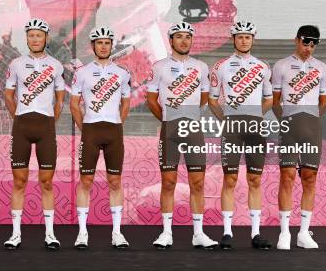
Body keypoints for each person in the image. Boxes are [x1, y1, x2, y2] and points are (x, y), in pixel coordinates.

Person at [147, 22, 218, 250]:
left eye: (188, 37)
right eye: (179, 37)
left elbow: (205, 97)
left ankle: (198, 233)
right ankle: (166, 232)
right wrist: (168, 119)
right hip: (170, 129)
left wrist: (191, 117)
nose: (184, 41)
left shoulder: (201, 67)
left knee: (198, 182)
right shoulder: (159, 67)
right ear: (171, 40)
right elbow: (151, 100)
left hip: (194, 131)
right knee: (168, 182)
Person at [208, 21, 273, 250]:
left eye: (248, 36)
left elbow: (269, 99)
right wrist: (225, 119)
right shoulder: (221, 66)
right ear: (233, 39)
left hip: (256, 128)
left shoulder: (263, 67)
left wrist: (256, 115)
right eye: (240, 36)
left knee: (255, 180)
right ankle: (227, 232)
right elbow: (212, 100)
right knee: (231, 179)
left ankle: (256, 233)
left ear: (253, 39)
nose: (244, 40)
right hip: (232, 129)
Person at [3, 18, 65, 250]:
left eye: (39, 35)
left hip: (45, 127)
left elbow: (60, 98)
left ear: (46, 38)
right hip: (22, 127)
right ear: (27, 38)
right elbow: (8, 95)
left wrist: (52, 120)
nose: (35, 39)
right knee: (19, 182)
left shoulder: (56, 65)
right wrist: (18, 116)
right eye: (31, 35)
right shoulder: (16, 64)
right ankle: (15, 234)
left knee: (46, 182)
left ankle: (50, 234)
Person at [71, 27, 131, 250]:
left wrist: (118, 122)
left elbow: (126, 103)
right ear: (93, 46)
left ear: (111, 45)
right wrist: (84, 128)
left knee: (115, 181)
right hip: (91, 131)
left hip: (113, 131)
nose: (103, 46)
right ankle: (82, 233)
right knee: (86, 181)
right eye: (99, 43)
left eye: (107, 43)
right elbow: (74, 104)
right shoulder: (82, 72)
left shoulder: (123, 73)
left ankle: (116, 233)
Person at [271, 25, 326, 249]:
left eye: (314, 44)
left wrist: (312, 120)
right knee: (287, 177)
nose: (309, 47)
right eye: (306, 42)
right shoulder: (281, 66)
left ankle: (304, 233)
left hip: (312, 128)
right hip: (289, 127)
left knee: (310, 178)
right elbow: (275, 101)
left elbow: (324, 103)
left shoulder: (323, 69)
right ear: (297, 40)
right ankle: (284, 233)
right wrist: (285, 121)